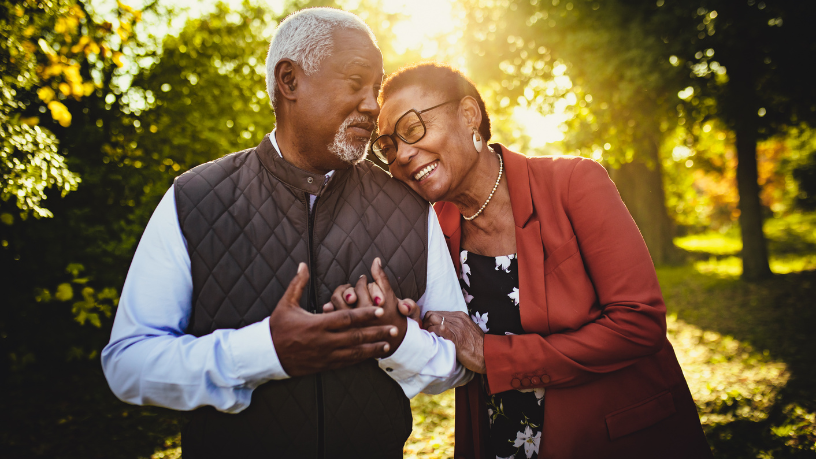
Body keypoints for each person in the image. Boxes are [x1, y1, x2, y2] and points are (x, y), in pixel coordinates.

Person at [101, 11, 472, 459]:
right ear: (289, 80)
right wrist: (267, 352)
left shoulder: (412, 209)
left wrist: (397, 340)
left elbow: (459, 364)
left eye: (374, 88)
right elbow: (128, 366)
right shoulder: (193, 198)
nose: (374, 106)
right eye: (355, 82)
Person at [369, 62, 713, 459]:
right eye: (389, 146)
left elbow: (639, 322)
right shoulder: (430, 231)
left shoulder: (575, 184)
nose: (403, 155)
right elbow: (440, 340)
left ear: (468, 115)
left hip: (613, 438)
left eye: (412, 129)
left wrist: (492, 356)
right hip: (502, 440)